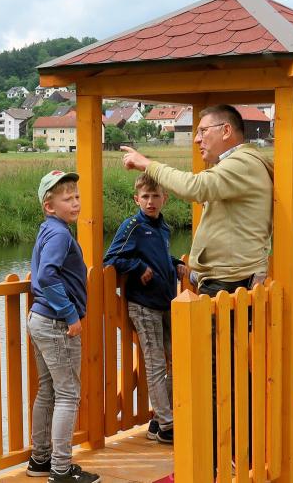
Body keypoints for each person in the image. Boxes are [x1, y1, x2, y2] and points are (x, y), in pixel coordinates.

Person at [120, 104, 273, 295]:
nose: (196, 139)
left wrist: (147, 165)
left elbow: (194, 187)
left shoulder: (243, 163)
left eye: (203, 131)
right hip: (230, 280)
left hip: (229, 283)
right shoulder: (237, 164)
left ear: (226, 130)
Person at [26, 170, 101, 483]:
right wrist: (70, 313)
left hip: (39, 319)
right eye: (66, 198)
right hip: (56, 323)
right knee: (68, 394)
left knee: (48, 390)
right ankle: (60, 470)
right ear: (49, 205)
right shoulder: (59, 234)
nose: (75, 202)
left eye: (77, 197)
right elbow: (47, 276)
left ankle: (40, 459)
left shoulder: (49, 229)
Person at [103, 173, 187, 445]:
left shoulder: (163, 228)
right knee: (154, 363)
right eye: (146, 197)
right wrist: (138, 267)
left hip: (166, 302)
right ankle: (167, 425)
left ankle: (158, 420)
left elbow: (158, 255)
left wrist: (174, 263)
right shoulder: (133, 226)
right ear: (136, 199)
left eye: (156, 196)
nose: (151, 202)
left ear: (165, 197)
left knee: (178, 360)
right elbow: (112, 258)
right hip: (144, 305)